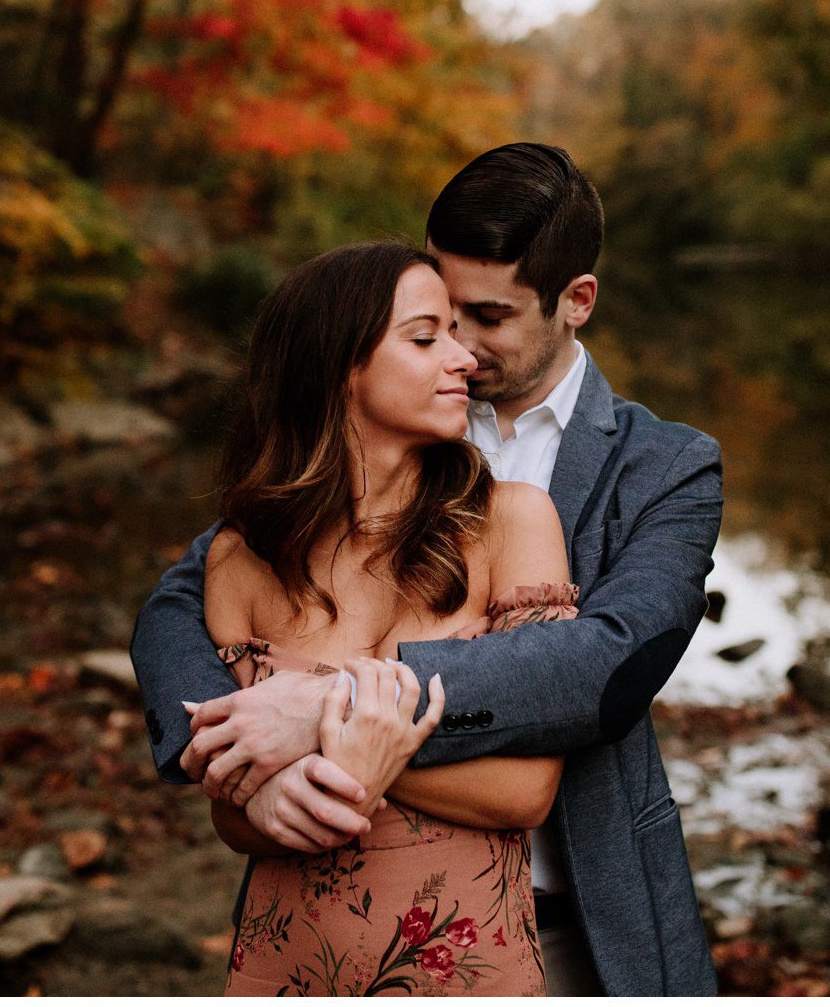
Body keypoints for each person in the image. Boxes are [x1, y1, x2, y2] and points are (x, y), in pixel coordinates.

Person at [133, 144, 724, 995]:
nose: (464, 350)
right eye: (440, 318)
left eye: (486, 317)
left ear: (576, 302)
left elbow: (608, 663)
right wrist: (225, 755)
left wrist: (327, 708)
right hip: (332, 914)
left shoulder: (668, 466)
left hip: (576, 918)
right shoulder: (396, 422)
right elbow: (178, 601)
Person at [202, 239, 579, 994]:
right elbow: (232, 809)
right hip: (291, 964)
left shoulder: (513, 523)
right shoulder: (241, 560)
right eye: (425, 336)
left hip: (468, 971)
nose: (463, 357)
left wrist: (323, 733)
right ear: (340, 365)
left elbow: (526, 791)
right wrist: (297, 787)